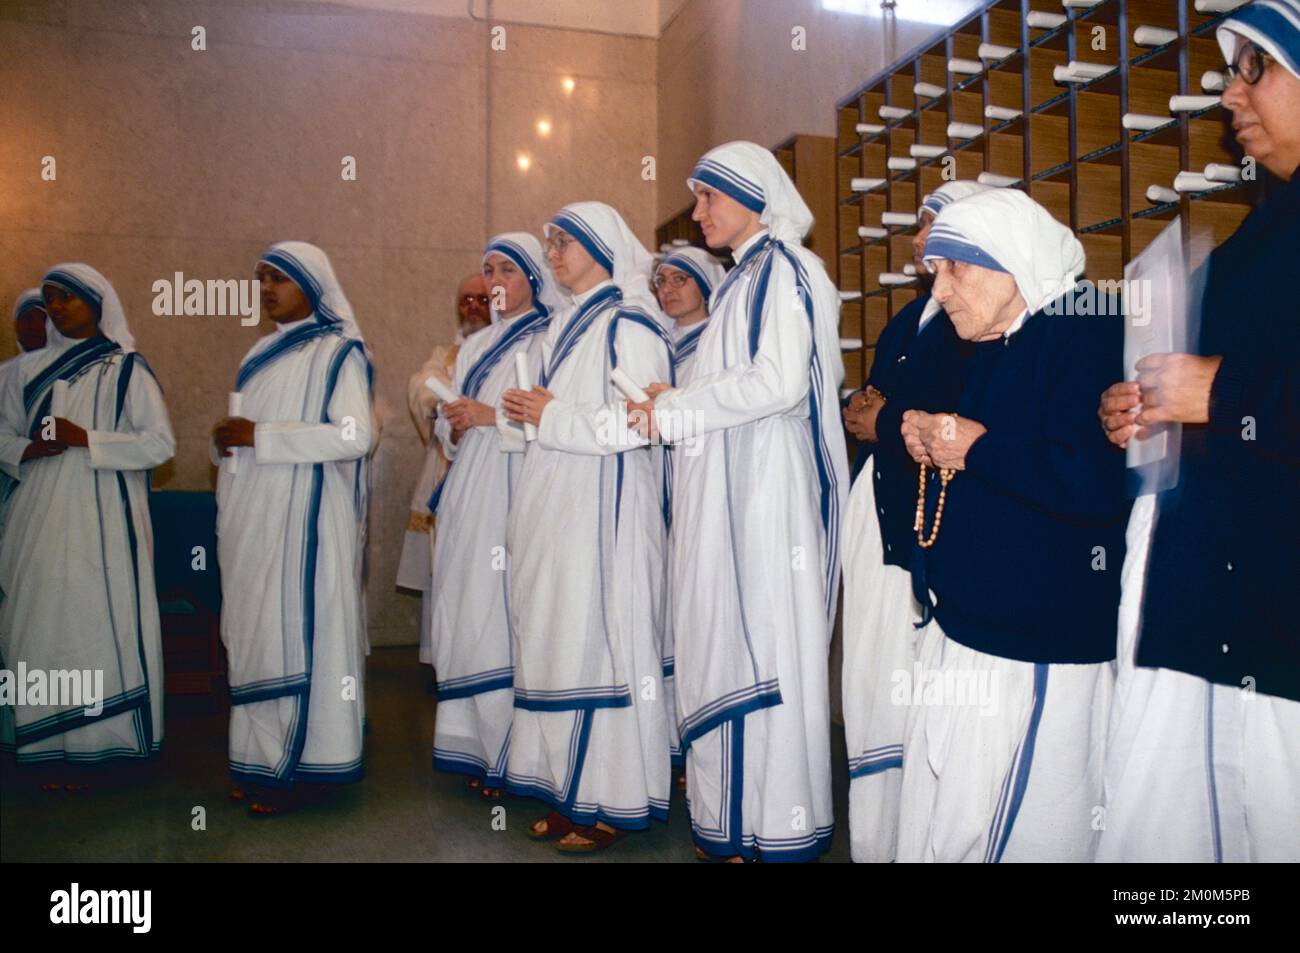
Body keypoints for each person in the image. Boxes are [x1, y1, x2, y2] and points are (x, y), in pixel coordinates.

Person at [1096, 0, 1300, 862]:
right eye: (1229, 71)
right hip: (1217, 596)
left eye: (1258, 69)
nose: (1230, 93)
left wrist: (1221, 389)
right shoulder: (1263, 227)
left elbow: (1234, 390)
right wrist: (1144, 407)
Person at [630, 141, 849, 862]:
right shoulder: (741, 278)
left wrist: (677, 405)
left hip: (766, 492)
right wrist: (678, 404)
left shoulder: (785, 269)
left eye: (708, 198)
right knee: (728, 641)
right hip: (732, 487)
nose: (697, 215)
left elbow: (779, 383)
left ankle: (777, 827)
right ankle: (731, 824)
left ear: (754, 197)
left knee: (767, 651)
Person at [897, 188, 1127, 862]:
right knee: (952, 819)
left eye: (956, 269)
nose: (940, 291)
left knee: (1028, 830)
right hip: (974, 631)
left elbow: (1097, 482)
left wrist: (973, 445)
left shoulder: (1086, 330)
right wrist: (938, 442)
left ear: (1013, 264)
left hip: (1037, 644)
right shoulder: (998, 345)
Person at [501, 201, 673, 853]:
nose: (552, 252)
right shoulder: (558, 330)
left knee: (603, 646)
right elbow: (546, 422)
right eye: (549, 241)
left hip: (608, 513)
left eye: (564, 240)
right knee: (556, 643)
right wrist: (523, 418)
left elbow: (638, 420)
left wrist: (552, 416)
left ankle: (611, 800)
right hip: (554, 511)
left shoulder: (631, 322)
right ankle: (567, 791)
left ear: (603, 247)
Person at [838, 181, 986, 863]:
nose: (921, 238)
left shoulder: (976, 323)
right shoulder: (910, 317)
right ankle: (874, 842)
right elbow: (883, 398)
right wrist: (862, 409)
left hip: (927, 521)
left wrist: (885, 421)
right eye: (923, 226)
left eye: (935, 225)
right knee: (872, 678)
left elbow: (956, 422)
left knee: (912, 689)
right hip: (882, 507)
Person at [213, 241, 374, 817]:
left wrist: (263, 437)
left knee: (303, 634)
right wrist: (233, 441)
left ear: (313, 283)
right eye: (260, 279)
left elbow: (356, 436)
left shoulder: (339, 352)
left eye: (278, 278)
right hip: (255, 519)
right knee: (257, 634)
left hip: (307, 520)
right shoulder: (258, 354)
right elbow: (249, 436)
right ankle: (260, 762)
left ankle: (307, 767)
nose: (266, 289)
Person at [0, 264, 174, 784]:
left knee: (93, 622)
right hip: (36, 514)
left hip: (103, 516)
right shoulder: (26, 371)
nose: (56, 307)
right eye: (50, 299)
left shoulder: (126, 368)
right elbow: (2, 432)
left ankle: (101, 744)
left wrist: (88, 439)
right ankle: (45, 741)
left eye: (68, 298)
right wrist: (27, 447)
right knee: (36, 621)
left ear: (98, 303)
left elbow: (159, 445)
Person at [427, 234, 559, 797]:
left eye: (509, 268)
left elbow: (555, 426)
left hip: (515, 491)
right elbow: (449, 429)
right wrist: (453, 424)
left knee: (505, 614)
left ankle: (515, 758)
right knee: (468, 611)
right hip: (467, 494)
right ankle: (478, 747)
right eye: (489, 269)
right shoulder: (477, 346)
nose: (497, 280)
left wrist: (489, 418)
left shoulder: (553, 338)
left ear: (533, 275)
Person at [651, 245, 726, 774]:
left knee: (690, 615)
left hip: (696, 488)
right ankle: (662, 745)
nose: (669, 288)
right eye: (662, 280)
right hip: (652, 487)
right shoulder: (652, 340)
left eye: (681, 278)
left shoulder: (716, 345)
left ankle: (689, 749)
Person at [398, 274, 491, 674]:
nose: (472, 305)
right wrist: (453, 402)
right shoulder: (446, 353)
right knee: (446, 561)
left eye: (482, 298)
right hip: (445, 466)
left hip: (489, 472)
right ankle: (441, 661)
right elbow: (422, 388)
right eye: (466, 298)